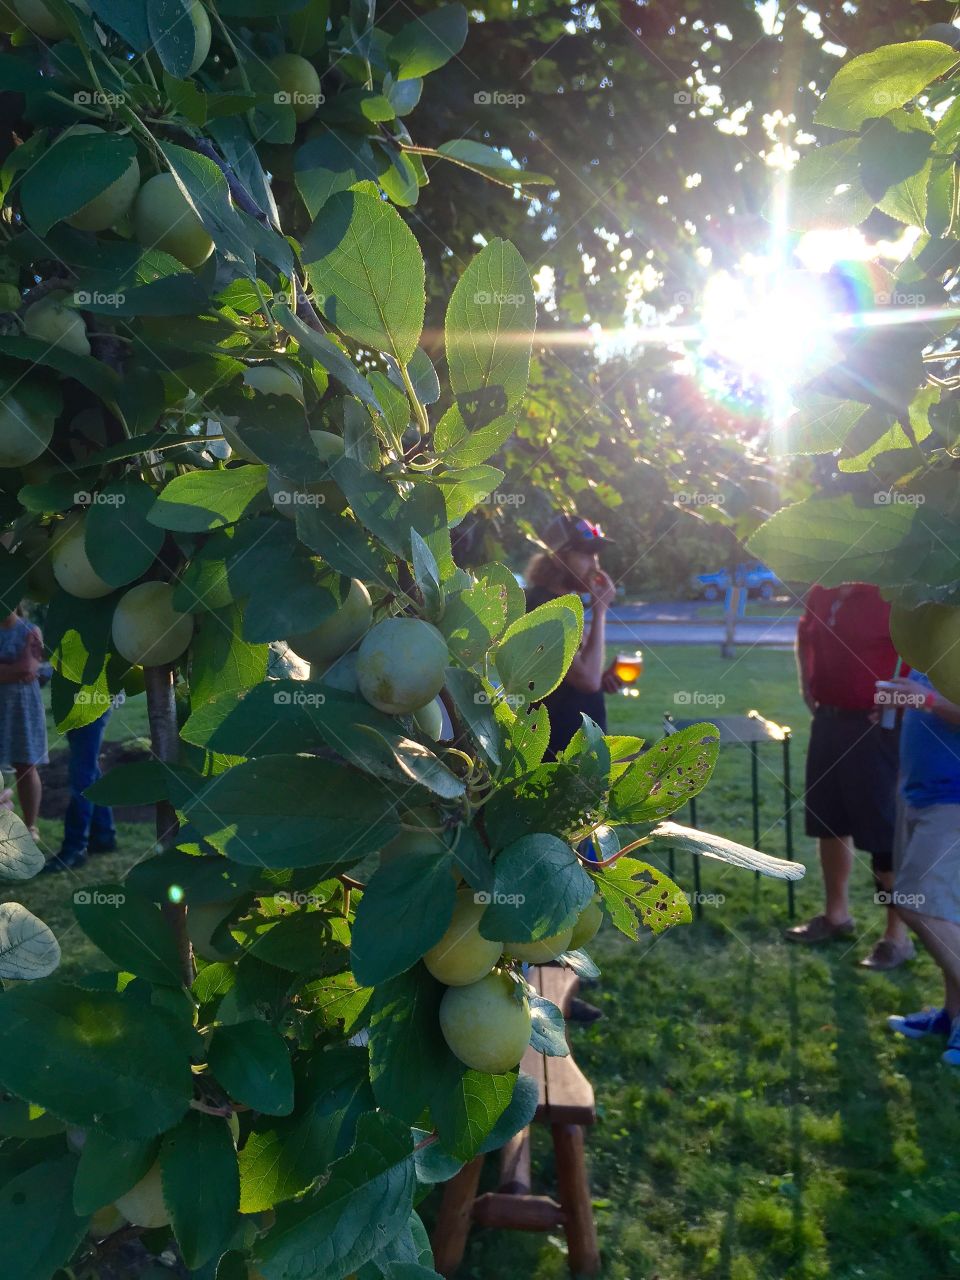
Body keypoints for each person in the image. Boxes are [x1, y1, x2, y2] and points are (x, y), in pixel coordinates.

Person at [785, 582, 913, 968]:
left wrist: (905, 700)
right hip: (829, 721)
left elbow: (925, 654)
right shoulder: (822, 588)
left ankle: (897, 936)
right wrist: (806, 682)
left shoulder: (892, 589)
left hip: (877, 728)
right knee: (830, 822)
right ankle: (836, 915)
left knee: (883, 835)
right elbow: (805, 633)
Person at [883, 671, 960, 1065]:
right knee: (947, 913)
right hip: (917, 794)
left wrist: (926, 700)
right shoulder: (928, 639)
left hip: (953, 800)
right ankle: (952, 1018)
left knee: (918, 903)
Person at [523, 514, 624, 759]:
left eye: (596, 555)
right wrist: (600, 610)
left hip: (575, 751)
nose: (595, 565)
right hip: (555, 755)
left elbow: (581, 672)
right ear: (558, 558)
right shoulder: (543, 608)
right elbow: (586, 680)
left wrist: (602, 678)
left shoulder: (565, 603)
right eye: (586, 554)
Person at [44, 710, 117, 873]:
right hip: (80, 702)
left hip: (91, 703)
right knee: (88, 768)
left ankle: (74, 848)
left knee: (82, 772)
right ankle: (103, 836)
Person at [0, 608, 47, 838]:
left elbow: (29, 667)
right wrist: (15, 669)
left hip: (24, 706)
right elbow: (23, 668)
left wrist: (13, 669)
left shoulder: (31, 630)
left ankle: (30, 827)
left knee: (26, 765)